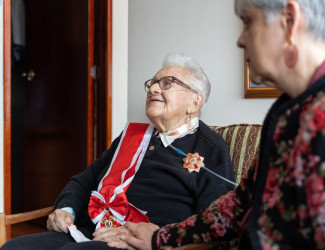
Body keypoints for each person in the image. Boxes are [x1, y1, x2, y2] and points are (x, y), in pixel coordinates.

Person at [107, 0, 325, 249]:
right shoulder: (290, 107)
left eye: (248, 23)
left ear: (289, 21)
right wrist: (159, 238)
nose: (240, 40)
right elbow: (240, 204)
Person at [1, 53, 235, 250]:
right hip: (88, 229)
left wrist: (160, 237)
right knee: (13, 247)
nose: (153, 88)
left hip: (140, 243)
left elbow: (213, 221)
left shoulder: (211, 148)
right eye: (152, 83)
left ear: (194, 102)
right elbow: (85, 180)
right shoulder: (132, 137)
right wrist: (66, 208)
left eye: (167, 83)